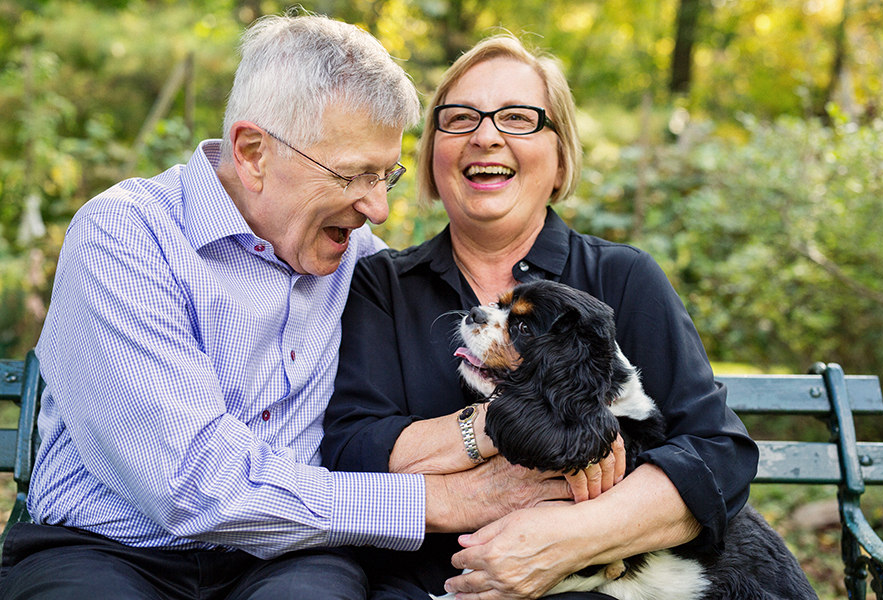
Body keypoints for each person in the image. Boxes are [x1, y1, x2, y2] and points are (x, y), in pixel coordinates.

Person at [0, 15, 572, 600]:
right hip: (107, 552)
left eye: (387, 176)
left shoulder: (361, 263)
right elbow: (192, 486)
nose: (378, 208)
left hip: (289, 559)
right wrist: (452, 499)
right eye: (354, 175)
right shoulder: (126, 238)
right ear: (253, 153)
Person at [321, 33, 759, 600]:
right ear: (432, 154)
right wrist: (509, 428)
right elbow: (354, 450)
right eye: (459, 119)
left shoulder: (623, 279)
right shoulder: (382, 286)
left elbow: (717, 454)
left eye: (518, 117)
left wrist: (568, 538)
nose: (485, 136)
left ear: (560, 156)